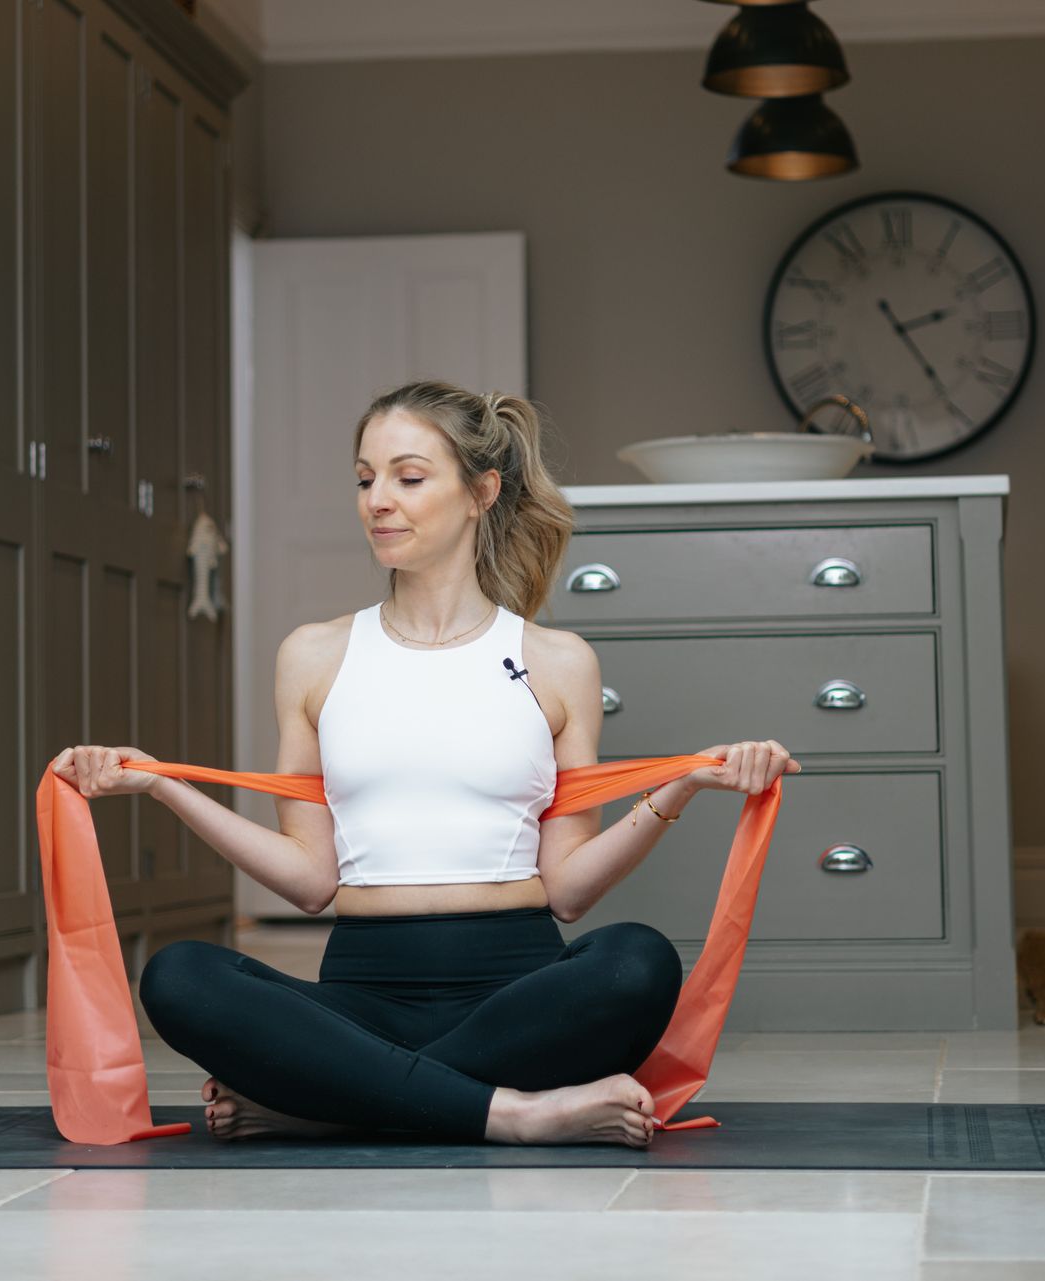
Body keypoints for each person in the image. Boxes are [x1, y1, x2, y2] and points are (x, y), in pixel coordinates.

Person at [51, 379, 800, 1148]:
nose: (378, 499)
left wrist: (680, 787)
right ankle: (513, 1112)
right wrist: (164, 786)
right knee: (179, 976)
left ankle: (334, 1098)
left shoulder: (556, 660)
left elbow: (570, 889)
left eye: (408, 477)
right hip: (363, 989)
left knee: (638, 961)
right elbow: (312, 879)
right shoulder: (313, 655)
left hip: (519, 990)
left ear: (481, 490)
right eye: (366, 478)